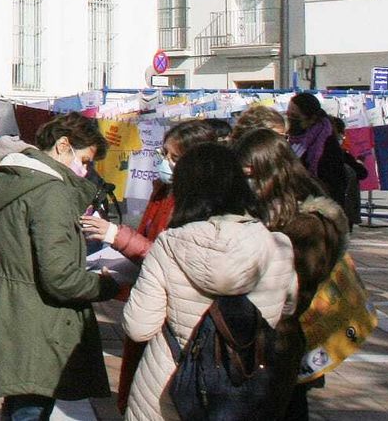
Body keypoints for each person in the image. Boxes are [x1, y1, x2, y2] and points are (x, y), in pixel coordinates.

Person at [121, 142, 299, 421]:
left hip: (168, 387)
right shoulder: (278, 246)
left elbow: (139, 327)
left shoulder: (170, 245)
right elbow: (286, 310)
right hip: (242, 383)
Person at [0, 114, 121, 421]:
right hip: (41, 322)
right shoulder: (49, 192)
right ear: (63, 145)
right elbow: (60, 277)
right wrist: (106, 285)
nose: (85, 169)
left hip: (11, 312)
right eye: (84, 159)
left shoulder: (11, 179)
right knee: (30, 407)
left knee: (20, 404)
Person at [79, 118, 219, 412]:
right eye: (164, 154)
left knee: (161, 397)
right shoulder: (163, 191)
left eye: (175, 158)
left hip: (175, 314)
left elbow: (173, 254)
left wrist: (117, 236)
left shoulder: (199, 203)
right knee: (141, 392)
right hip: (148, 298)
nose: (166, 162)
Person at [235, 128, 349, 421]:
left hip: (285, 336)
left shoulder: (308, 223)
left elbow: (297, 285)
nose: (248, 183)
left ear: (272, 169)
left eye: (251, 175)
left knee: (283, 407)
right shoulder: (270, 207)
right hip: (274, 336)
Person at [287, 93, 356, 208]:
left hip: (319, 205)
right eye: (288, 114)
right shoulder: (294, 139)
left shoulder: (327, 144)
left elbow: (334, 183)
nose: (290, 119)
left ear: (311, 119)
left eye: (294, 116)